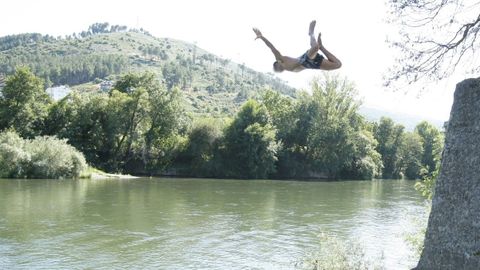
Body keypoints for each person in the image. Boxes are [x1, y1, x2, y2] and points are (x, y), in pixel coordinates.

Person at [253, 20, 342, 72]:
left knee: (315, 47)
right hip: (311, 65)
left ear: (277, 63)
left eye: (275, 68)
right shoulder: (290, 69)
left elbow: (272, 48)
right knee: (338, 64)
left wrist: (262, 37)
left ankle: (311, 33)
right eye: (277, 71)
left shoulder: (280, 59)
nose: (277, 71)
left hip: (305, 59)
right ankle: (321, 47)